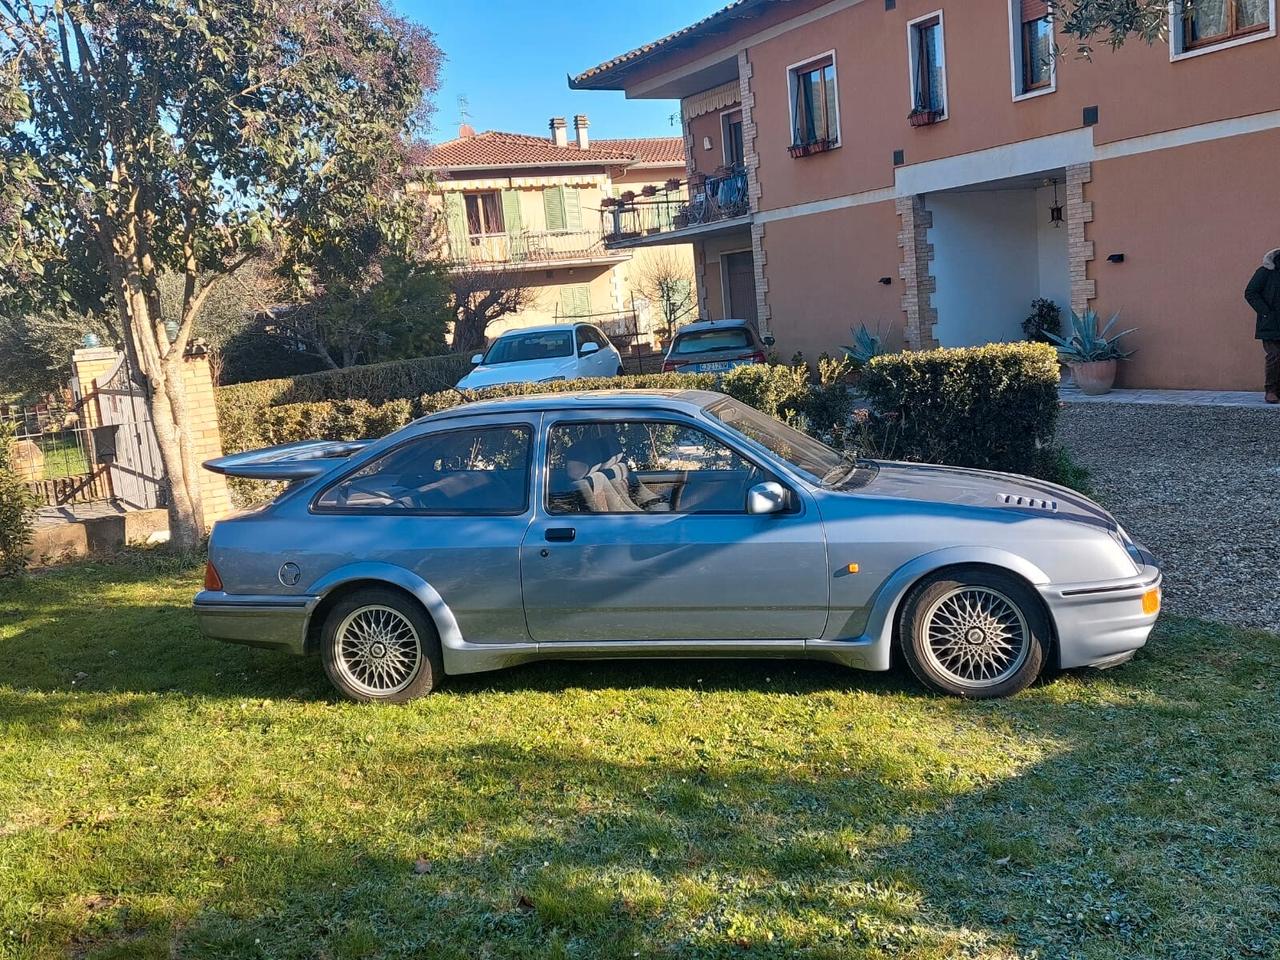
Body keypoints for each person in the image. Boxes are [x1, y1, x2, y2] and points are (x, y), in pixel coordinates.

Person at [1244, 247, 1280, 404]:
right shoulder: (1266, 271)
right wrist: (1266, 312)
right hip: (1271, 322)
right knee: (1275, 355)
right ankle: (1271, 391)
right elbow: (1251, 292)